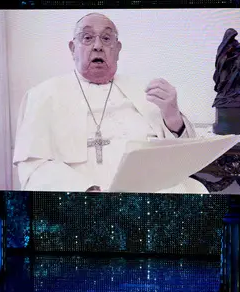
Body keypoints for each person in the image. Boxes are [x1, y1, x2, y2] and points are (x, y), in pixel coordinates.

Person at [12, 13, 208, 194]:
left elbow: (182, 155)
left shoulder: (143, 91)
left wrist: (172, 114)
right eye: (87, 37)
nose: (98, 46)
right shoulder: (42, 95)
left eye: (106, 38)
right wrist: (86, 190)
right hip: (82, 197)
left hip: (149, 191)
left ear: (118, 49)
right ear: (73, 48)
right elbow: (33, 167)